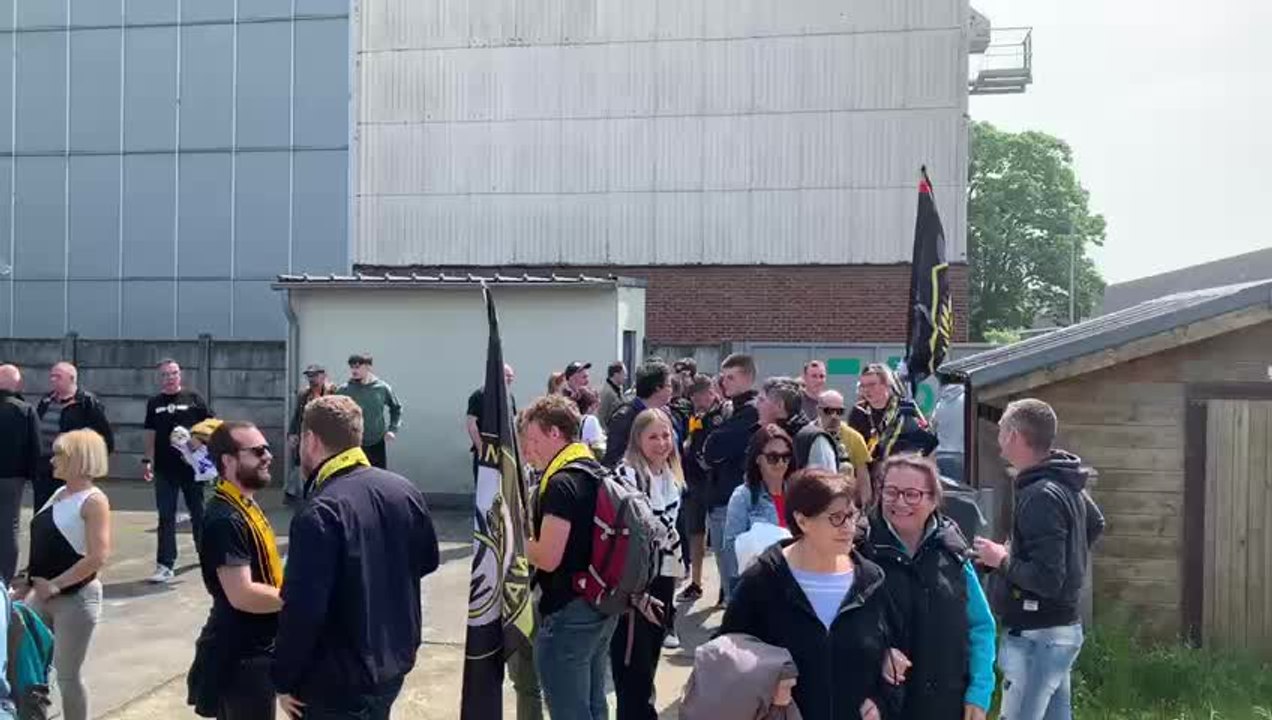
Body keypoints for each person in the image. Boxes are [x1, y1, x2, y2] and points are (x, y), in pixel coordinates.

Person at [274, 395, 440, 720]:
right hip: (392, 665)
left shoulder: (319, 511)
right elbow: (427, 562)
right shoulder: (403, 490)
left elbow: (303, 609)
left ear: (310, 439)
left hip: (337, 683)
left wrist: (283, 678)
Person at [719, 469, 895, 720]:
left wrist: (880, 702)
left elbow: (893, 657)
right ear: (802, 521)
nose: (848, 527)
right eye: (836, 518)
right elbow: (726, 657)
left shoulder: (871, 580)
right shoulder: (762, 582)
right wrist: (767, 687)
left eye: (852, 515)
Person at [973, 399, 1104, 720]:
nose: (999, 439)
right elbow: (1095, 523)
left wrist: (1002, 559)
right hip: (1060, 628)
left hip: (1039, 634)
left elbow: (1047, 578)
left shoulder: (1041, 494)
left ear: (1015, 436)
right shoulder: (1064, 480)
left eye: (1002, 430)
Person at [864, 454, 995, 720]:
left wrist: (979, 694)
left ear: (933, 499)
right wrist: (878, 654)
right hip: (883, 707)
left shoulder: (953, 552)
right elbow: (844, 630)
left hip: (947, 705)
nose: (899, 502)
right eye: (891, 492)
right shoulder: (861, 551)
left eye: (912, 494)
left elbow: (981, 626)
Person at [520, 395, 619, 720]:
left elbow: (547, 557)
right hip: (600, 603)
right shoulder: (594, 470)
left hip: (569, 611)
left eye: (533, 440)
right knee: (593, 703)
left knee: (569, 710)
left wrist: (512, 540)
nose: (527, 450)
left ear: (555, 434)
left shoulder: (562, 484)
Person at [188, 421, 284, 719]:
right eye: (256, 451)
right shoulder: (225, 518)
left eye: (267, 449)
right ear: (228, 461)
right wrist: (303, 598)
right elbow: (242, 594)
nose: (268, 456)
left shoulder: (245, 505)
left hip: (257, 648)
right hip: (241, 657)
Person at [13, 429, 111, 720]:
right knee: (26, 664)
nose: (53, 460)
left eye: (60, 454)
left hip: (76, 599)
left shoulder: (94, 501)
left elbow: (98, 556)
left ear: (78, 459)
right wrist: (26, 583)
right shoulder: (59, 494)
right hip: (40, 595)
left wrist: (55, 585)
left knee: (67, 675)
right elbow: (45, 547)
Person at [610, 409, 684, 717]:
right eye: (652, 436)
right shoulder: (627, 474)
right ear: (637, 439)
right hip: (636, 581)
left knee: (650, 656)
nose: (661, 443)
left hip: (664, 574)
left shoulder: (670, 475)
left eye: (666, 435)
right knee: (632, 660)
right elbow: (642, 528)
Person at [143, 359, 213, 584]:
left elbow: (212, 425)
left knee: (198, 513)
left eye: (173, 373)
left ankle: (206, 555)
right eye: (165, 374)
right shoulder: (154, 403)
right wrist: (148, 460)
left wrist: (198, 440)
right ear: (160, 378)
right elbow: (151, 433)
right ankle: (165, 564)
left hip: (191, 469)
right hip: (165, 469)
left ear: (180, 375)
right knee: (166, 516)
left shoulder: (194, 399)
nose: (170, 378)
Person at [703, 354, 760, 604]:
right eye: (723, 377)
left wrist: (709, 444)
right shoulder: (730, 408)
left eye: (731, 378)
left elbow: (713, 447)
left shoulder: (750, 412)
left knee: (734, 572)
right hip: (722, 495)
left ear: (748, 378)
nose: (724, 383)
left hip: (732, 499)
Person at [35, 362, 114, 511]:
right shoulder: (46, 400)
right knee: (42, 510)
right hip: (45, 468)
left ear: (71, 379)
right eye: (52, 376)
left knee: (66, 510)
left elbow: (105, 438)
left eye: (57, 377)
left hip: (72, 470)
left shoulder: (87, 403)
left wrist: (88, 466)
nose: (52, 380)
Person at [723, 425, 796, 586]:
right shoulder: (743, 497)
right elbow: (731, 551)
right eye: (773, 457)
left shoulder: (799, 493)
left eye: (786, 456)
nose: (781, 463)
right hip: (759, 586)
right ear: (758, 459)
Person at [676, 374, 719, 604]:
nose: (701, 398)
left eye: (705, 393)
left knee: (720, 537)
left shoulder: (720, 416)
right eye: (696, 395)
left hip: (714, 482)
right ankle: (696, 581)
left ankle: (725, 589)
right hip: (693, 481)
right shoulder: (692, 416)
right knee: (695, 531)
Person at [0, 365, 39, 584]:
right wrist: (34, 477)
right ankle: (4, 581)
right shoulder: (25, 410)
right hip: (13, 478)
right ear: (16, 384)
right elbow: (35, 447)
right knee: (9, 528)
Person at [601, 360, 673, 468]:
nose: (671, 391)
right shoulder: (625, 417)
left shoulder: (665, 414)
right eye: (669, 385)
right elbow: (612, 460)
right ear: (657, 388)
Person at [337, 354, 402, 470]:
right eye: (351, 367)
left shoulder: (382, 388)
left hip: (376, 442)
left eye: (357, 367)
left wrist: (392, 429)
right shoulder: (344, 390)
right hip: (353, 444)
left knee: (378, 477)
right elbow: (333, 413)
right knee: (355, 478)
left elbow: (396, 408)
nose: (354, 370)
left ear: (368, 367)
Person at [758, 377, 837, 474]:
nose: (756, 405)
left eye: (761, 400)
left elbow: (828, 484)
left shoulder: (812, 439)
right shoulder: (762, 436)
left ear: (780, 406)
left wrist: (790, 444)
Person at [287, 364, 336, 500]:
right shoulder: (304, 395)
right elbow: (297, 416)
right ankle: (306, 498)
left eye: (315, 375)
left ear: (323, 376)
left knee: (325, 468)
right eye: (309, 376)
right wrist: (292, 433)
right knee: (306, 468)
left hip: (326, 439)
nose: (311, 379)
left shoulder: (333, 393)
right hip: (307, 438)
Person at [817, 390, 873, 504]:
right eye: (828, 411)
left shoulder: (855, 438)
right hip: (816, 500)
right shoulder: (807, 435)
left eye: (839, 411)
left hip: (845, 502)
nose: (834, 416)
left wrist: (865, 511)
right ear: (818, 410)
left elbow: (864, 479)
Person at [466, 364, 516, 479]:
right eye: (507, 376)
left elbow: (513, 422)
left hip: (505, 450)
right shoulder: (478, 396)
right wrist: (481, 449)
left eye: (512, 377)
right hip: (486, 449)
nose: (510, 380)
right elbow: (471, 424)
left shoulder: (510, 398)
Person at [848, 364, 898, 464]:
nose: (867, 390)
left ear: (886, 384)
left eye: (872, 385)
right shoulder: (858, 411)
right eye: (863, 386)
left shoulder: (901, 409)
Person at [575, 386, 607, 458]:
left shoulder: (574, 419)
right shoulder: (591, 420)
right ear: (591, 405)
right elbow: (599, 448)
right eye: (597, 404)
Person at [598, 361, 627, 430]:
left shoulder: (618, 390)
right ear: (616, 374)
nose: (626, 378)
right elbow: (601, 416)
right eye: (624, 375)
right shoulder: (607, 393)